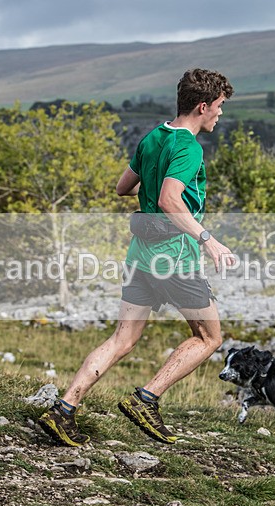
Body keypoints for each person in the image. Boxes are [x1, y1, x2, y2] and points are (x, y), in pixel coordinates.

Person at [38, 68, 235, 446]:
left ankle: (63, 410)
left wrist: (159, 178)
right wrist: (208, 239)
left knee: (123, 338)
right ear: (203, 105)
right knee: (209, 337)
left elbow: (122, 187)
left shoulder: (153, 137)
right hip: (175, 257)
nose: (220, 115)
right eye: (220, 107)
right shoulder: (189, 148)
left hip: (140, 254)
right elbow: (168, 200)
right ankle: (147, 399)